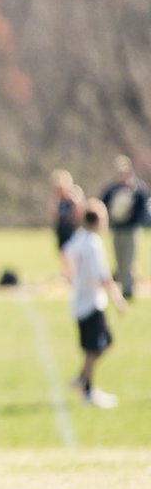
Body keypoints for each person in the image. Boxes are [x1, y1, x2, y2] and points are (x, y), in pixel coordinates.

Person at [64, 200, 126, 408]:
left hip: (80, 301)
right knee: (93, 349)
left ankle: (81, 378)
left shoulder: (80, 238)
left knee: (103, 343)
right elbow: (104, 277)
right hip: (91, 303)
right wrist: (118, 299)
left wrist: (72, 278)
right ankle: (87, 391)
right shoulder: (93, 243)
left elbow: (66, 254)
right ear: (98, 220)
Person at [99, 156, 147, 300]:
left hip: (130, 229)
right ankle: (123, 286)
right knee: (119, 260)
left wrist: (131, 217)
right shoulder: (112, 190)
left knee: (129, 259)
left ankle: (128, 289)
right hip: (117, 228)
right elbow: (103, 204)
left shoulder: (137, 189)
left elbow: (142, 207)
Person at [50, 169, 83, 255]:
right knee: (62, 252)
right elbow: (54, 214)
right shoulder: (59, 200)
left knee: (71, 251)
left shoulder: (73, 198)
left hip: (70, 229)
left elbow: (78, 214)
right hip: (61, 228)